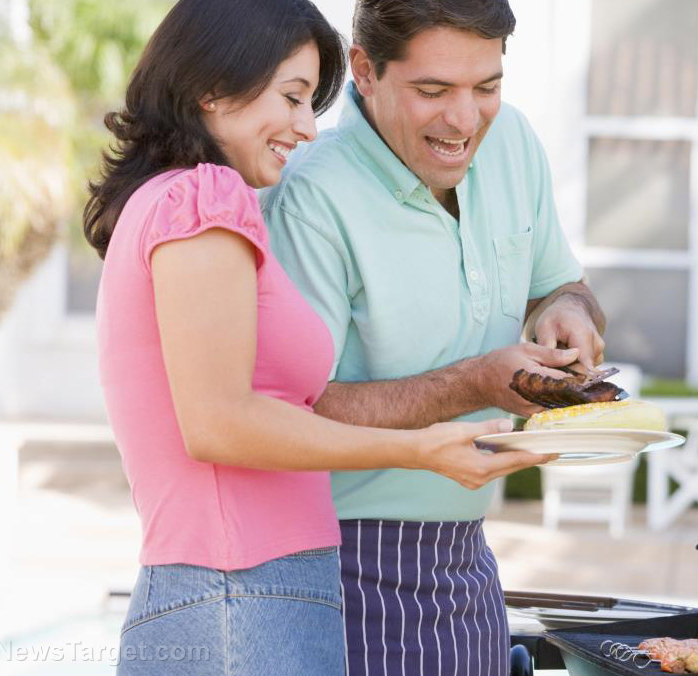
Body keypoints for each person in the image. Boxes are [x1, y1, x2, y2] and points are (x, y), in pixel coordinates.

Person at [83, 0, 550, 673]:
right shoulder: (205, 200)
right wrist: (420, 449)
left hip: (244, 592)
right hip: (238, 599)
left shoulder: (176, 202)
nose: (307, 128)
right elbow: (219, 424)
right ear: (213, 88)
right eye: (292, 98)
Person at [259, 0, 606, 674]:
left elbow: (561, 286)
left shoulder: (513, 143)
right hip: (341, 563)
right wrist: (476, 384)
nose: (465, 119)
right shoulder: (311, 195)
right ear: (365, 70)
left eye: (487, 87)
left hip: (469, 558)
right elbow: (295, 410)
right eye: (433, 90)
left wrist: (569, 312)